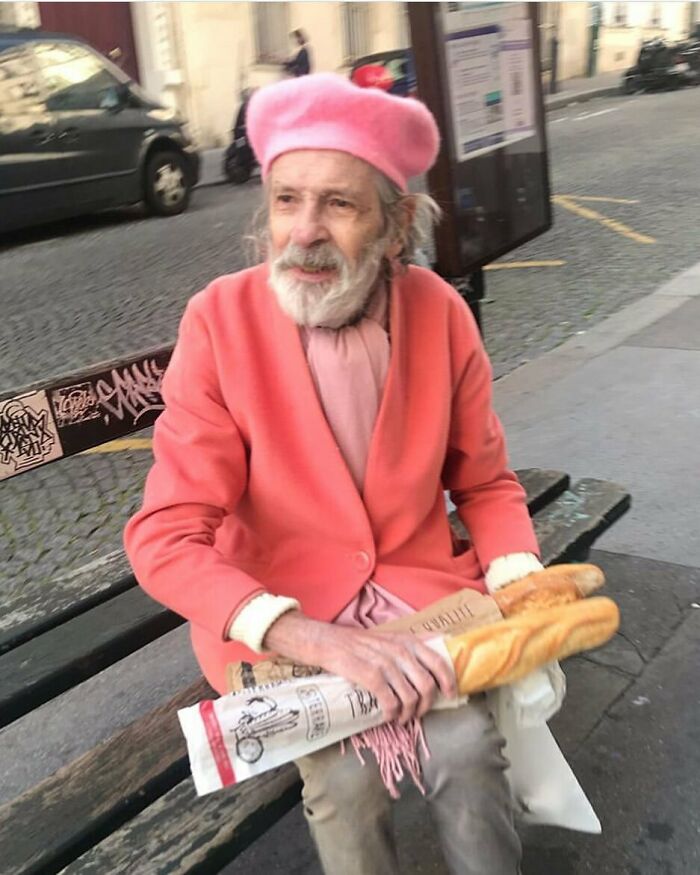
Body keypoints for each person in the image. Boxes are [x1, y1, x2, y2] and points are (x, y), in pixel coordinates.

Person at [125, 74, 566, 875]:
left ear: (395, 227)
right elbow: (165, 535)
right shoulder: (219, 320)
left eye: (339, 204)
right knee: (347, 779)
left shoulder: (440, 313)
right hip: (283, 620)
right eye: (286, 200)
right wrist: (310, 636)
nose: (304, 232)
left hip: (421, 600)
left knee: (468, 747)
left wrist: (518, 575)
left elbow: (486, 484)